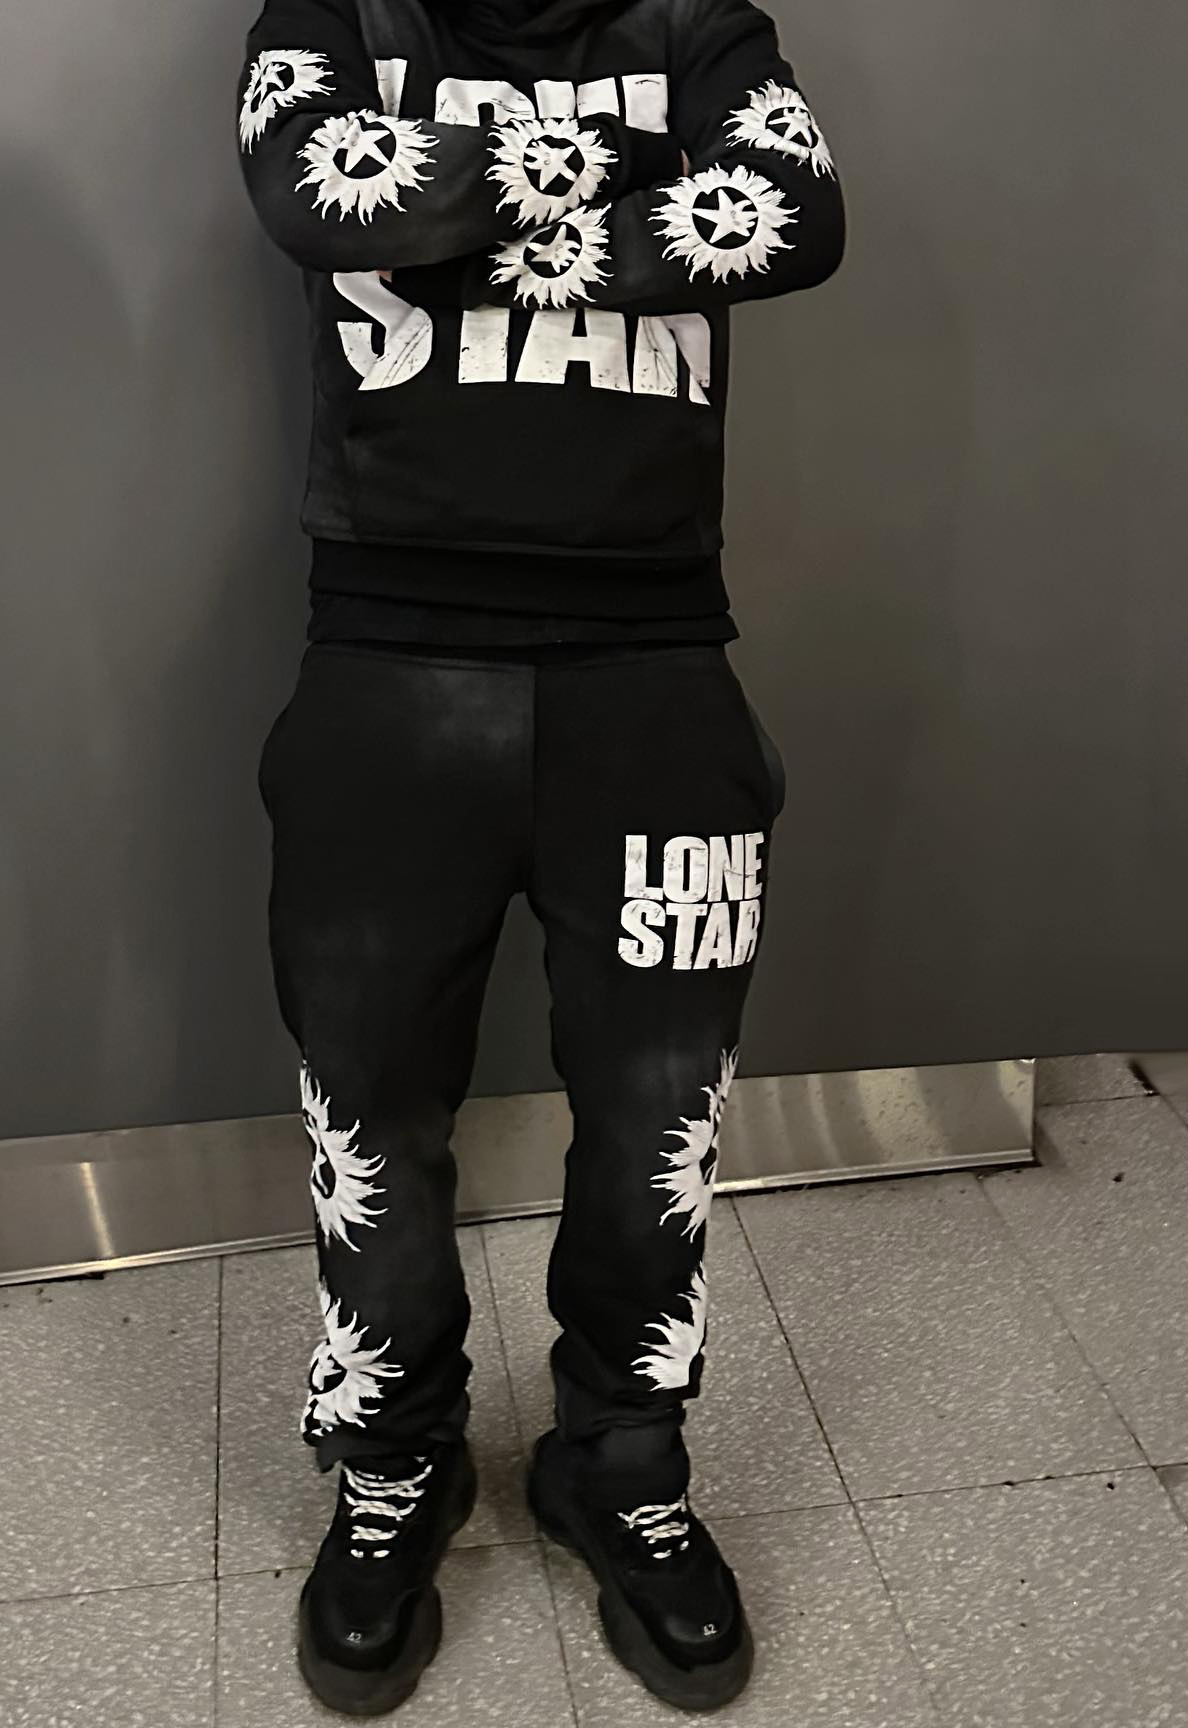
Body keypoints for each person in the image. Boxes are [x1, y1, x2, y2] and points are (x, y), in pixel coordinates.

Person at [239, 0, 843, 1708]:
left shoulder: (705, 23)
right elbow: (312, 190)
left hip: (654, 668)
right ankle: (396, 1459)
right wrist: (628, 182)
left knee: (660, 1117)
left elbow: (798, 216)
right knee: (370, 1113)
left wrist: (458, 208)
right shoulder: (332, 14)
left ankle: (619, 1462)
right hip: (387, 667)